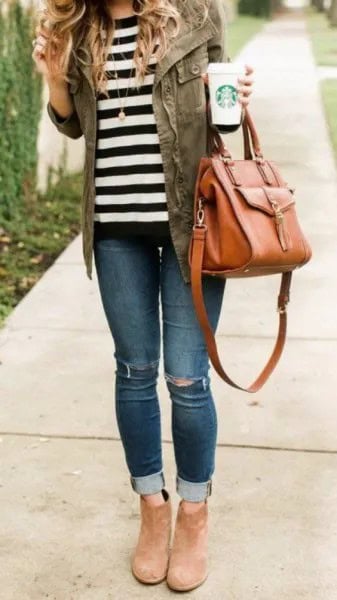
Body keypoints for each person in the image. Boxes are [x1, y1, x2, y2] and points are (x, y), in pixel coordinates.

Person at [32, 0, 254, 591]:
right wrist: (56, 79)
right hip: (115, 233)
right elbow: (72, 122)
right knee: (134, 371)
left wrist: (230, 97)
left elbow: (222, 119)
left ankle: (195, 512)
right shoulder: (79, 27)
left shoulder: (196, 13)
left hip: (194, 231)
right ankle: (151, 508)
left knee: (187, 379)